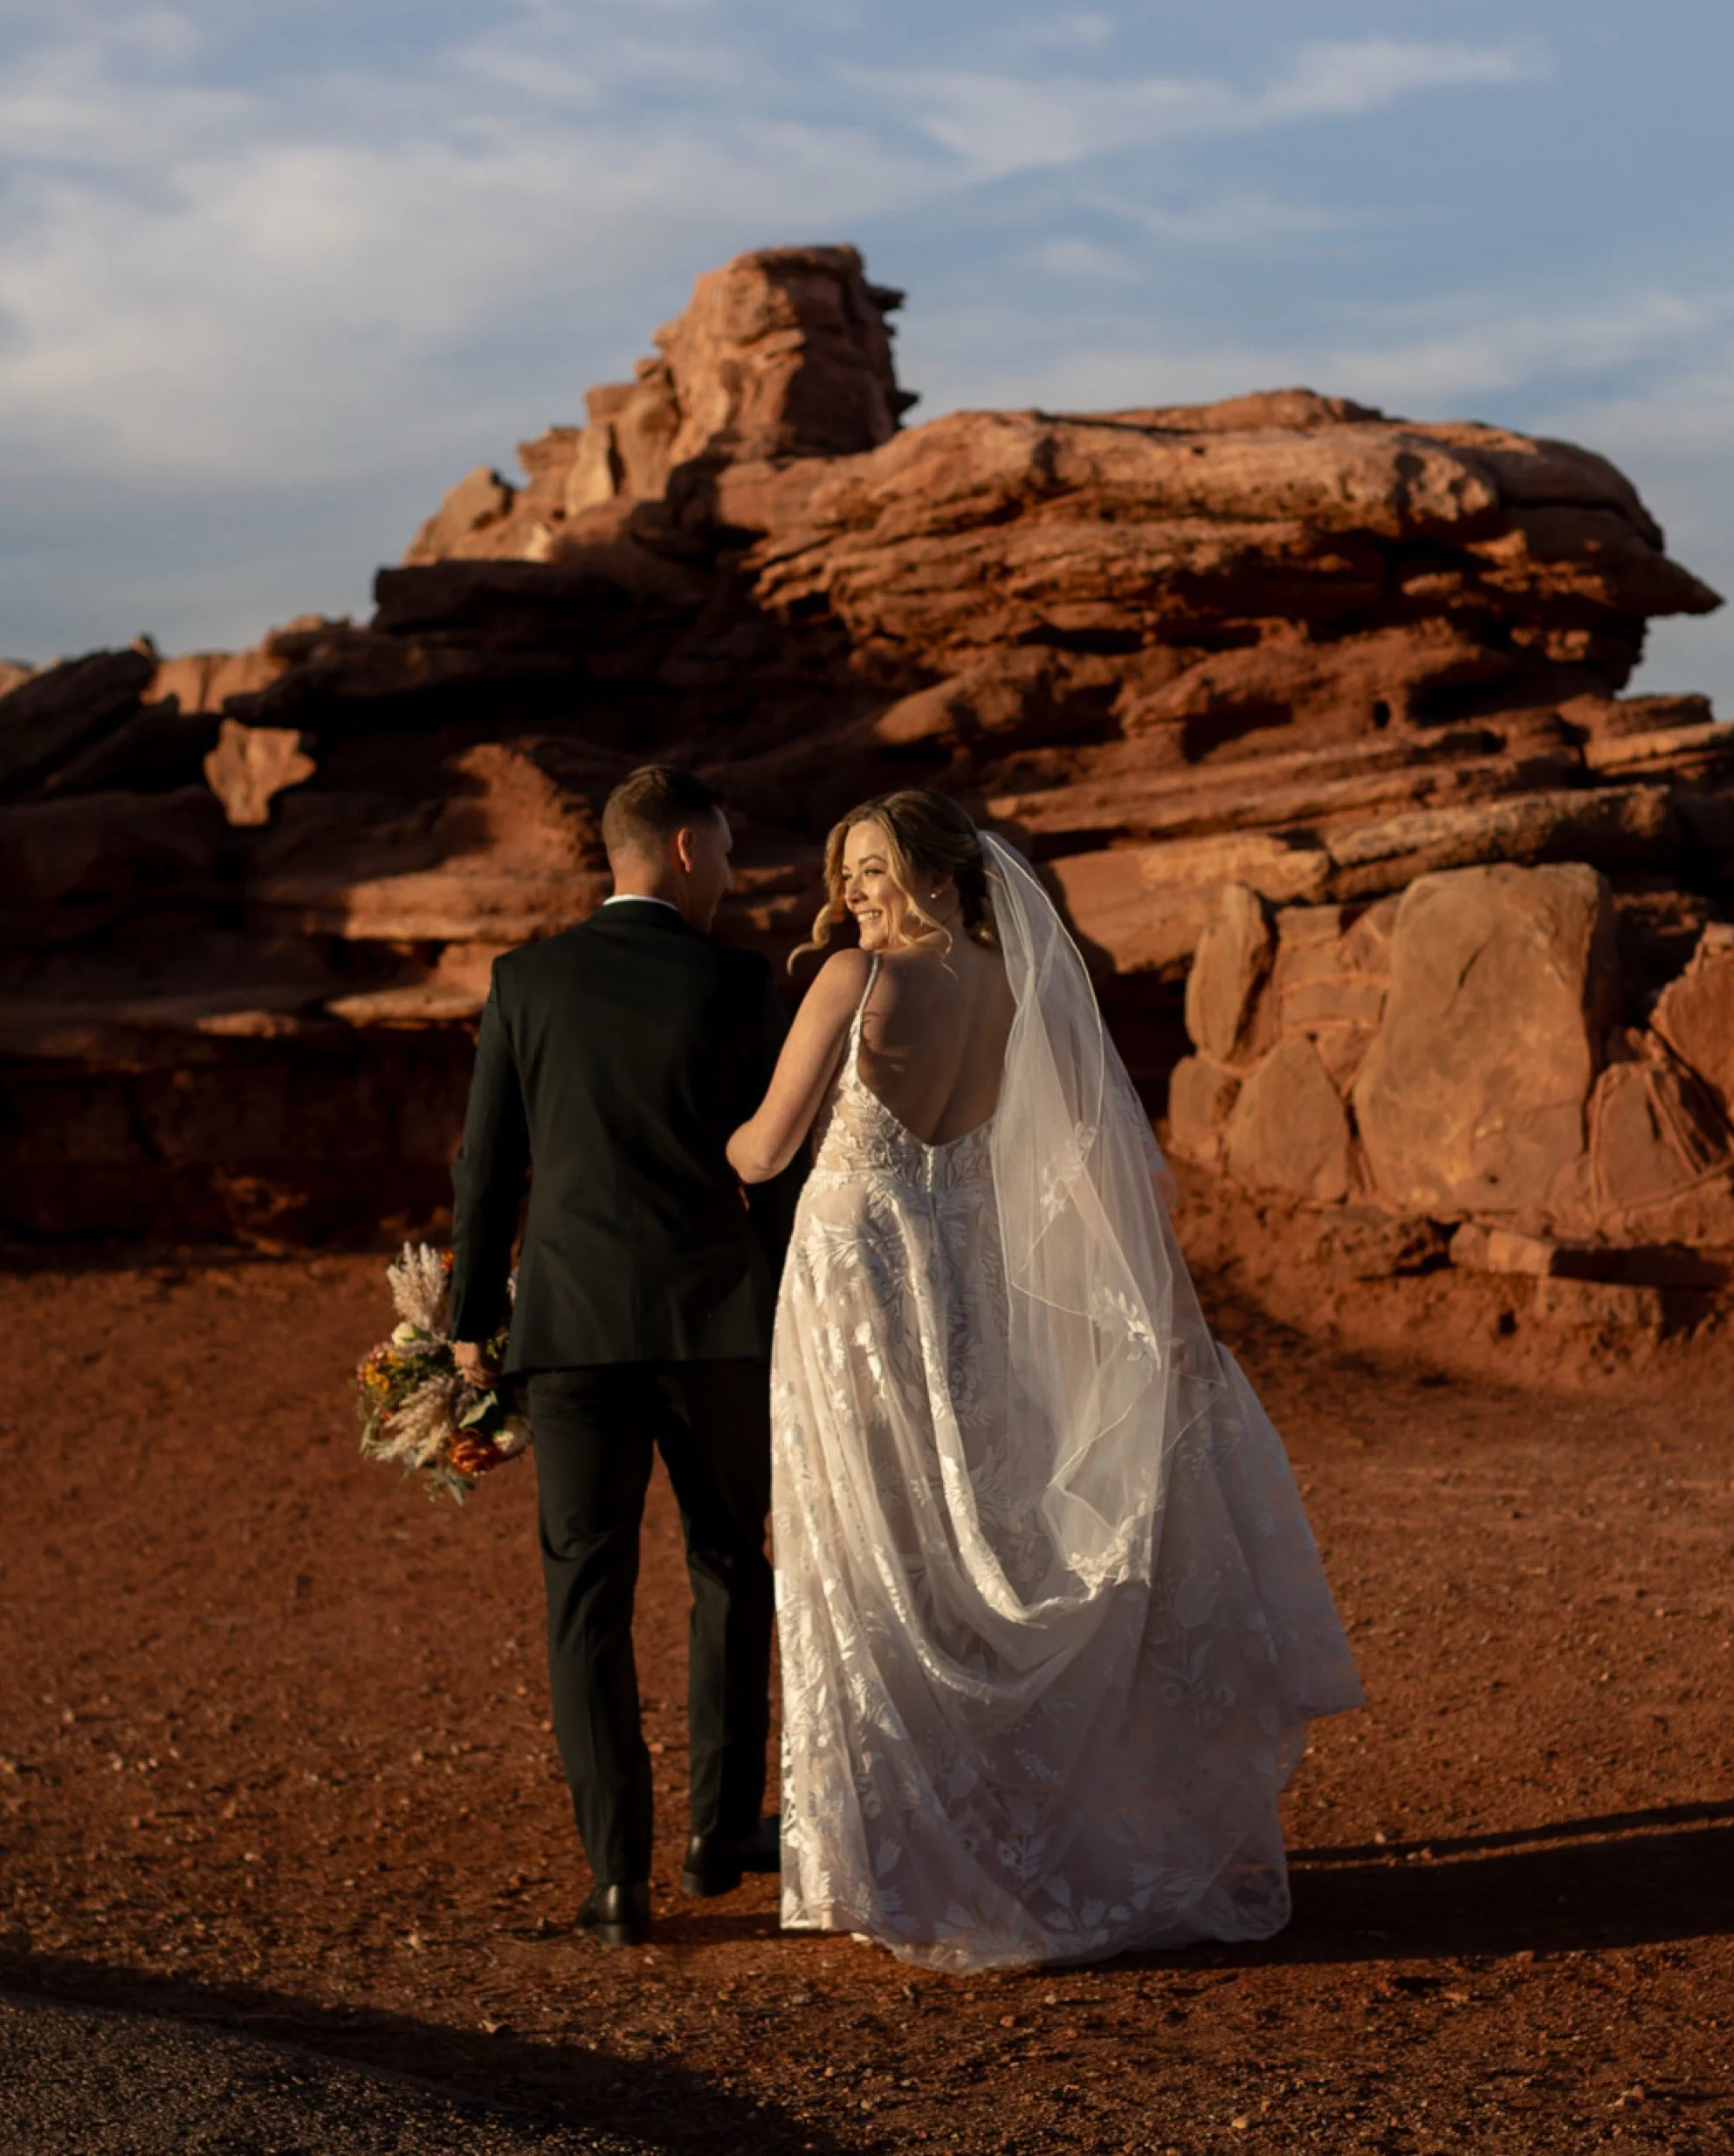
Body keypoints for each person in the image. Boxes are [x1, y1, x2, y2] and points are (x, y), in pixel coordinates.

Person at [727, 789, 1364, 1972]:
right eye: (847, 872)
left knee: (878, 1553)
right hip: (969, 1282)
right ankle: (1007, 1833)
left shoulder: (850, 982)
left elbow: (766, 1148)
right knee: (975, 1543)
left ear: (931, 872)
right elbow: (1082, 1159)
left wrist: (717, 1143)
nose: (856, 893)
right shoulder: (1012, 982)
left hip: (858, 1288)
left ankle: (899, 1855)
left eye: (874, 871)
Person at [450, 765, 795, 1947]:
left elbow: (488, 1168)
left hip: (573, 1332)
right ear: (688, 851)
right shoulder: (738, 982)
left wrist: (466, 1326)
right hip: (712, 1324)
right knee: (729, 1567)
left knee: (583, 1597)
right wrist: (791, 1301)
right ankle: (721, 1832)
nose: (734, 875)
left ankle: (616, 1880)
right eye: (730, 852)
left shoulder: (525, 981)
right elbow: (779, 1170)